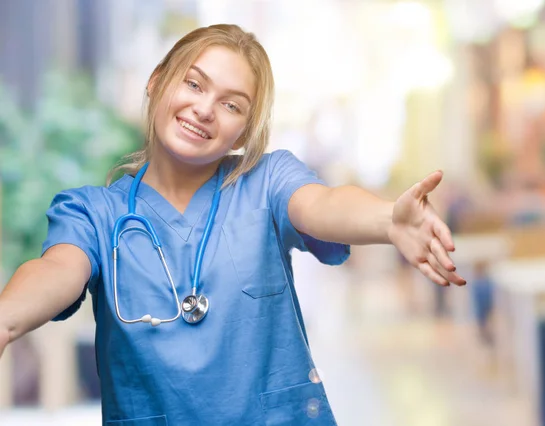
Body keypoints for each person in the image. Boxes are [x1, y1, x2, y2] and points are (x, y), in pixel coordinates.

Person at [0, 24, 466, 425]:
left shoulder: (267, 181)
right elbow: (56, 269)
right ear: (156, 82)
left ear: (244, 129)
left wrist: (387, 218)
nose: (205, 110)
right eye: (194, 84)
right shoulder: (94, 213)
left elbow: (324, 204)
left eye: (232, 105)